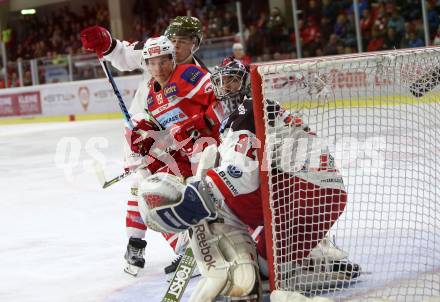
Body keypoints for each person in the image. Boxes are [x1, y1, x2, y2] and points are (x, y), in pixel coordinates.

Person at [181, 58, 360, 289]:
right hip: (327, 195)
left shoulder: (247, 110)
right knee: (269, 270)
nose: (226, 87)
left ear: (246, 83)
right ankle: (321, 262)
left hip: (301, 192)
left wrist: (199, 192)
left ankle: (228, 251)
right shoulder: (261, 107)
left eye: (233, 81)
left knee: (221, 200)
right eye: (222, 82)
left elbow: (241, 174)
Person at [80, 17, 221, 275]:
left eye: (184, 41)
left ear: (196, 45)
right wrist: (107, 43)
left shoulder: (199, 75)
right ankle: (142, 244)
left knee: (185, 188)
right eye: (174, 39)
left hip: (178, 141)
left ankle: (193, 242)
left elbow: (212, 110)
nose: (177, 45)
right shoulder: (156, 51)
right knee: (145, 188)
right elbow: (123, 55)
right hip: (141, 135)